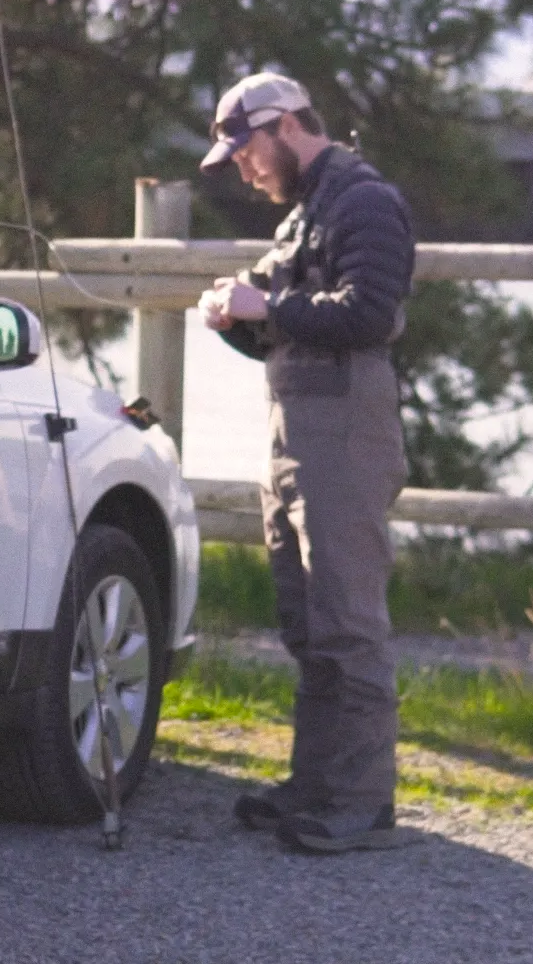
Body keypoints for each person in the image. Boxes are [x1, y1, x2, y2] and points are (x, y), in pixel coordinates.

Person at [195, 72, 415, 853]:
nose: (244, 170)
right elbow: (281, 326)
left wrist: (268, 307)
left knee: (349, 620)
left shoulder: (363, 201)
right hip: (295, 436)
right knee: (306, 618)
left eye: (247, 151)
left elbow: (370, 313)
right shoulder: (303, 214)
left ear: (285, 125)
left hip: (346, 435)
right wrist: (233, 314)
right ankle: (315, 787)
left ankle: (362, 803)